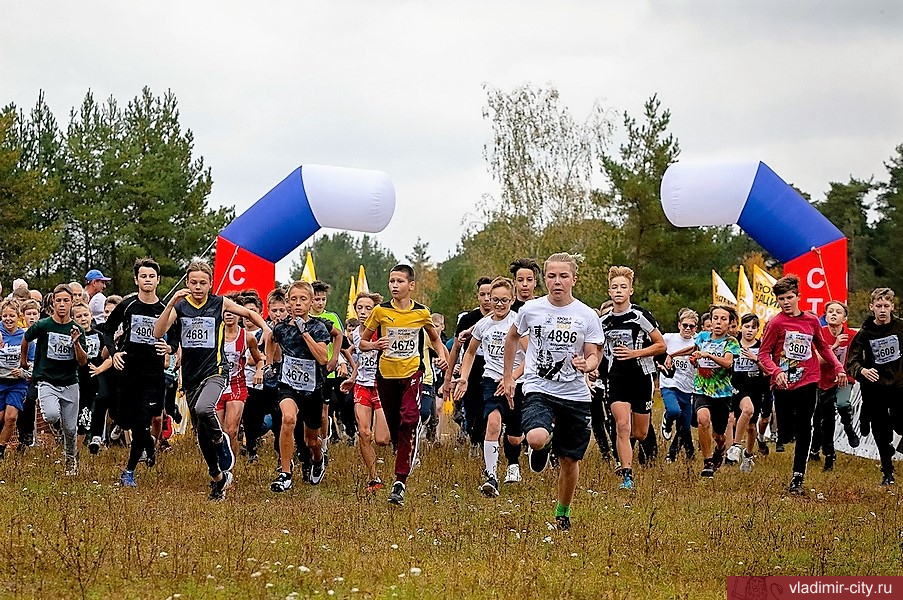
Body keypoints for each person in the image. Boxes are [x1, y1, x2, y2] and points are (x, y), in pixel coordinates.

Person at [153, 261, 270, 501]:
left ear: (210, 284)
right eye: (193, 282)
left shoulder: (218, 303)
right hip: (191, 377)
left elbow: (248, 313)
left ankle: (221, 438)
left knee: (204, 408)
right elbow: (157, 332)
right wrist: (171, 303)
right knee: (201, 435)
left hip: (215, 372)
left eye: (203, 283)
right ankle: (217, 478)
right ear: (187, 283)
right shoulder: (182, 307)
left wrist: (266, 328)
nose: (198, 287)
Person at [502, 253, 602, 530]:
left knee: (569, 460)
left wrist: (587, 363)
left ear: (573, 279)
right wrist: (508, 376)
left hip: (575, 394)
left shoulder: (587, 315)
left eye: (563, 276)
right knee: (534, 438)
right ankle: (544, 444)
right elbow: (512, 338)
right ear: (544, 279)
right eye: (551, 276)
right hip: (539, 386)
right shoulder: (530, 310)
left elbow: (595, 354)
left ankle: (563, 512)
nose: (557, 282)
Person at [361, 264, 449, 506]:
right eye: (391, 281)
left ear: (411, 285)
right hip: (386, 376)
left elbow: (434, 338)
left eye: (399, 281)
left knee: (410, 419)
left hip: (412, 373)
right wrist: (375, 346)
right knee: (395, 429)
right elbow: (363, 343)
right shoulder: (380, 312)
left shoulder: (421, 313)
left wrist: (441, 355)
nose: (394, 286)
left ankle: (400, 480)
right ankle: (403, 450)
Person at [757, 274, 844, 494]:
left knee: (806, 425)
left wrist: (838, 367)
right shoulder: (776, 323)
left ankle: (798, 476)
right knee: (786, 432)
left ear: (798, 297)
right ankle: (784, 433)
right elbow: (763, 354)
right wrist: (776, 371)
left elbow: (823, 348)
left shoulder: (812, 320)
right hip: (784, 383)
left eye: (789, 297)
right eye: (781, 299)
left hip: (809, 378)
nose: (785, 302)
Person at [455, 277, 525, 497]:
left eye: (504, 300)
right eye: (495, 300)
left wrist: (511, 378)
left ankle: (513, 464)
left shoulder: (518, 323)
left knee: (515, 436)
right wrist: (464, 378)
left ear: (512, 300)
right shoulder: (484, 324)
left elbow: (529, 357)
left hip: (516, 383)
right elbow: (470, 352)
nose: (499, 305)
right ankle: (491, 476)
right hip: (491, 381)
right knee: (493, 423)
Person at [598, 266, 666, 490]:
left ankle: (630, 454)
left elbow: (660, 345)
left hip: (641, 377)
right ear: (609, 292)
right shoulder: (604, 321)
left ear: (631, 291)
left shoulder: (640, 316)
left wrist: (634, 353)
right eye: (615, 287)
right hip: (616, 378)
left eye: (623, 287)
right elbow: (597, 349)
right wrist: (592, 366)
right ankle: (627, 475)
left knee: (640, 432)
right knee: (622, 426)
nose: (619, 291)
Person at [266, 281, 331, 492]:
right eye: (293, 299)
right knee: (288, 419)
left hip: (312, 388)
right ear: (287, 302)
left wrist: (304, 333)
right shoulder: (282, 327)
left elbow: (322, 358)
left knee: (311, 440)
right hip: (288, 385)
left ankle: (318, 458)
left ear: (311, 302)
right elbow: (271, 339)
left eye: (303, 299)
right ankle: (285, 473)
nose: (298, 303)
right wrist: (270, 363)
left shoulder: (318, 327)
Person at [21, 284, 89, 475]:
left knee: (70, 429)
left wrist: (76, 344)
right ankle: (57, 425)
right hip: (47, 380)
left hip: (70, 382)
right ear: (52, 303)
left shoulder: (76, 329)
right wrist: (23, 361)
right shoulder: (44, 325)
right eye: (58, 300)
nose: (61, 304)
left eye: (65, 301)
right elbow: (26, 338)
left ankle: (70, 461)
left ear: (71, 303)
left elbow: (83, 362)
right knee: (50, 415)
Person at [845, 288, 903, 486]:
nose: (883, 310)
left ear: (892, 307)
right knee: (881, 432)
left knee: (900, 424)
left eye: (886, 306)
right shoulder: (864, 333)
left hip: (898, 386)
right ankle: (887, 473)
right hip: (875, 388)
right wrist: (862, 370)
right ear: (872, 308)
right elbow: (851, 362)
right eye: (879, 306)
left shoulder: (900, 328)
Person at [342, 292, 391, 491]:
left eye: (368, 308)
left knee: (382, 440)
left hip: (381, 385)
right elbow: (360, 359)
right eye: (359, 308)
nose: (363, 312)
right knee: (364, 433)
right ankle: (374, 477)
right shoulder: (354, 334)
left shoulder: (383, 331)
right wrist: (352, 376)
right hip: (362, 385)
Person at [444, 277, 493, 451]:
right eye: (483, 295)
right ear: (477, 296)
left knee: (491, 408)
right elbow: (456, 349)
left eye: (490, 294)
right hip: (471, 367)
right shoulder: (467, 319)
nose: (487, 299)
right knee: (472, 409)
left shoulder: (502, 318)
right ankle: (474, 442)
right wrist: (448, 378)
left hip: (493, 365)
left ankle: (485, 442)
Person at [811, 300, 858, 470]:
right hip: (822, 382)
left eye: (838, 312)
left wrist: (846, 372)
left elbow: (858, 358)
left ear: (844, 318)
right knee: (824, 420)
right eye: (830, 311)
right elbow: (818, 361)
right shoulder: (820, 334)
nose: (833, 314)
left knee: (843, 404)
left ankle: (848, 426)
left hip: (844, 379)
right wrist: (835, 345)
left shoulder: (852, 335)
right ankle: (828, 455)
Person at [216, 293, 263, 456]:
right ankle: (219, 465)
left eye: (232, 310)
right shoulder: (214, 335)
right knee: (217, 433)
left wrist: (259, 370)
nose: (228, 314)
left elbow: (259, 360)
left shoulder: (247, 338)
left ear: (239, 313)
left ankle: (230, 468)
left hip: (237, 386)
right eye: (225, 311)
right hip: (216, 386)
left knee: (231, 431)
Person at [727, 314, 771, 471]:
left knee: (752, 427)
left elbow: (768, 372)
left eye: (753, 327)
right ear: (741, 327)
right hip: (738, 386)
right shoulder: (733, 345)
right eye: (746, 326)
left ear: (758, 330)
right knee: (747, 410)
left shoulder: (762, 347)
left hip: (756, 388)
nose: (749, 330)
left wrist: (756, 359)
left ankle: (748, 455)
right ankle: (736, 445)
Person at [658, 308, 699, 463]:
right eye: (685, 325)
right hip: (669, 383)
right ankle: (667, 421)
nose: (688, 329)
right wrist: (661, 361)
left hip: (688, 388)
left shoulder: (698, 342)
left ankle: (673, 453)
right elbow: (657, 349)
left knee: (685, 427)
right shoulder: (668, 338)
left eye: (692, 326)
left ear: (696, 328)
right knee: (674, 411)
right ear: (679, 325)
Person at [71, 301, 112, 450]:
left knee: (102, 399)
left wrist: (100, 369)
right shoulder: (72, 337)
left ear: (91, 316)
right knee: (83, 410)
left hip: (98, 372)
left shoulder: (99, 335)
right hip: (80, 377)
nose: (83, 319)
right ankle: (78, 447)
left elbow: (108, 357)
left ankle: (96, 436)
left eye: (86, 315)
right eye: (79, 316)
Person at [0, 300, 33, 457]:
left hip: (17, 384)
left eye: (11, 315)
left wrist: (22, 371)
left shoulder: (25, 337)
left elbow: (33, 364)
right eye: (5, 315)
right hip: (0, 382)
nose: (8, 319)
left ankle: (0, 450)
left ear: (18, 317)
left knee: (11, 417)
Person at [14, 299, 41, 451]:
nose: (32, 317)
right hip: (26, 375)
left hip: (44, 374)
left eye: (34, 314)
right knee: (26, 398)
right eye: (28, 314)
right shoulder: (22, 334)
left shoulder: (44, 331)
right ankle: (25, 434)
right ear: (22, 316)